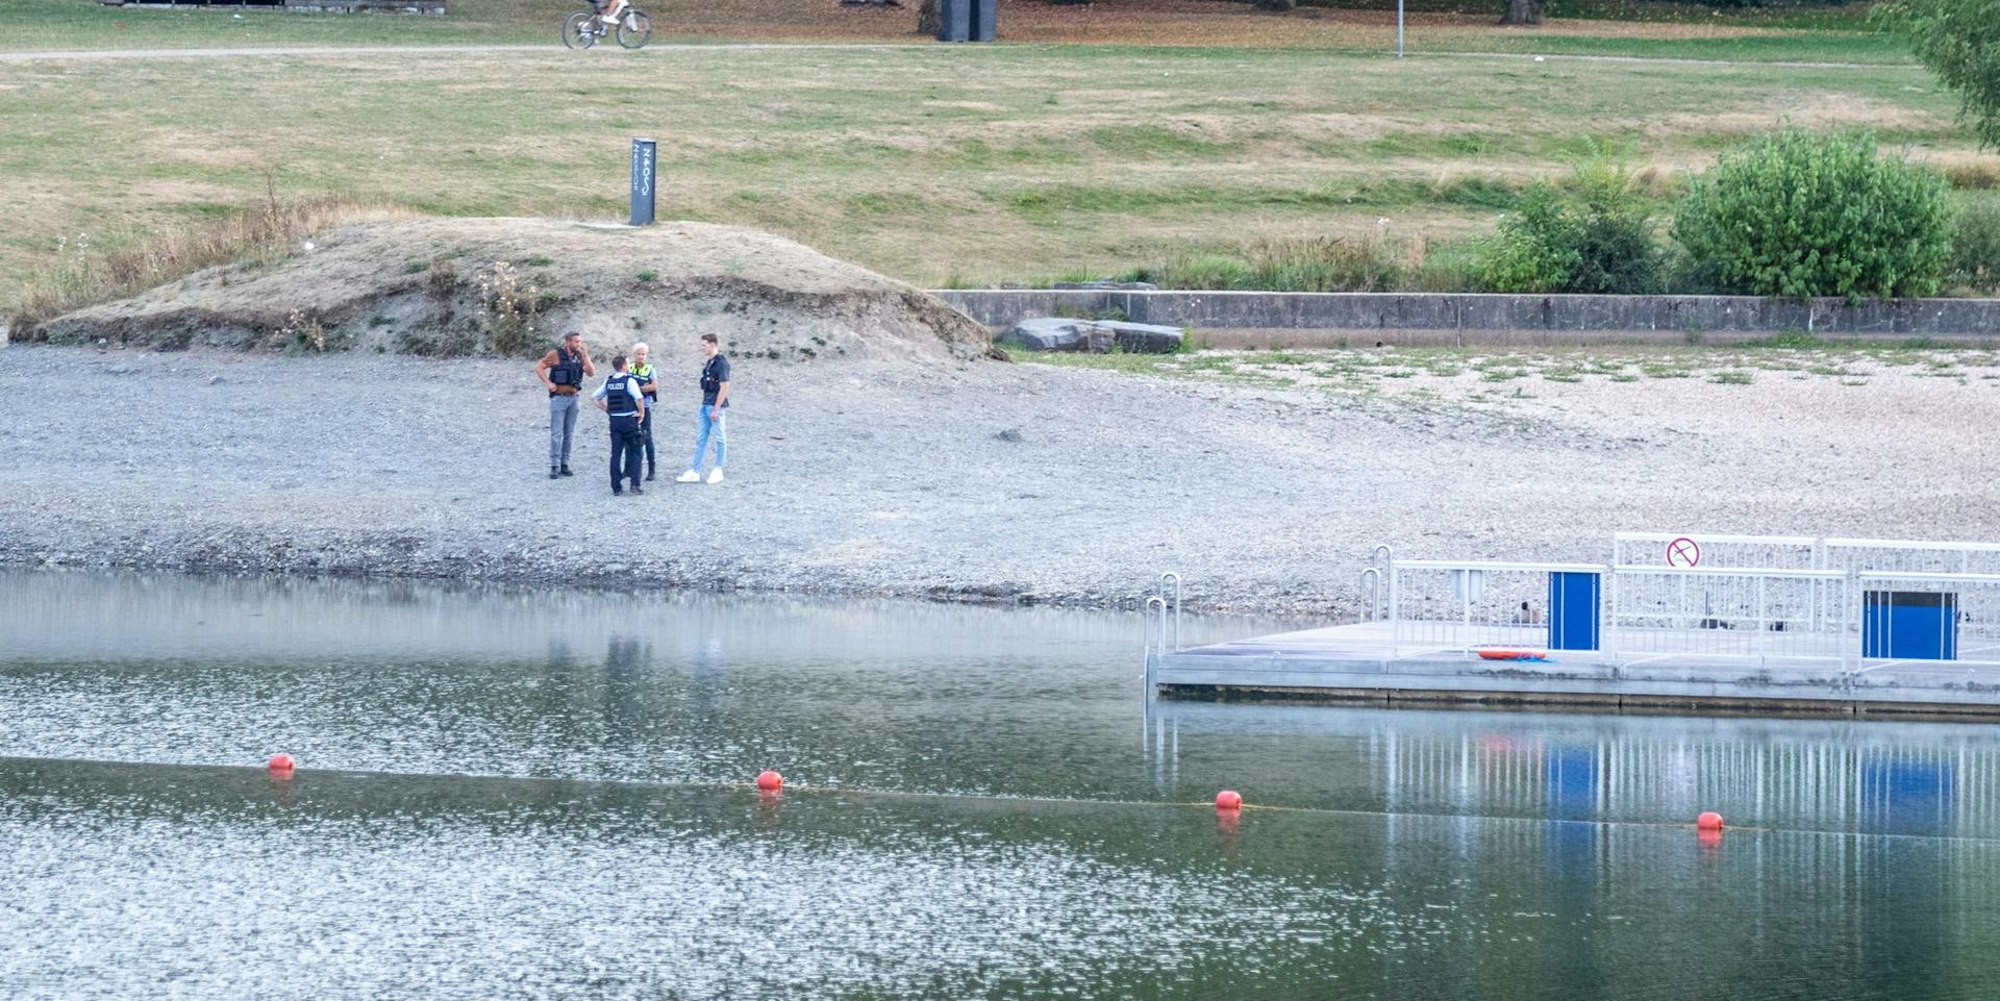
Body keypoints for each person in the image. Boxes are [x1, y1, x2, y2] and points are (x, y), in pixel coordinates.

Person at [535, 331, 596, 480]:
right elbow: (539, 367)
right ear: (568, 342)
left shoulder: (579, 356)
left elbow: (591, 373)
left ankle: (565, 463)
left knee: (569, 433)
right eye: (576, 342)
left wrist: (586, 355)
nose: (579, 344)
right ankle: (554, 465)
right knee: (556, 433)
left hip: (574, 398)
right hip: (559, 398)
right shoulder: (555, 354)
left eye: (580, 342)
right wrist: (548, 383)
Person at [675, 333, 730, 484]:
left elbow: (724, 386)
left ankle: (718, 469)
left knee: (720, 438)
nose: (702, 348)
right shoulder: (710, 363)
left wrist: (716, 408)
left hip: (714, 405)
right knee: (701, 439)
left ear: (712, 345)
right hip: (705, 404)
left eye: (704, 345)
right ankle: (695, 471)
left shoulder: (721, 363)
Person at [592, 354, 648, 496]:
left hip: (615, 421)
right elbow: (639, 398)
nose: (629, 366)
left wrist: (607, 410)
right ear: (623, 366)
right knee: (636, 451)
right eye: (628, 364)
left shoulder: (609, 381)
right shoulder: (629, 381)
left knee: (615, 454)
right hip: (629, 420)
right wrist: (641, 413)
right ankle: (635, 484)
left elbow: (595, 397)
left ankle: (616, 487)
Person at [630, 342, 660, 482]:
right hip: (631, 405)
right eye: (638, 354)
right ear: (634, 355)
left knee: (647, 436)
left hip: (645, 405)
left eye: (643, 354)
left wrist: (638, 389)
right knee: (630, 437)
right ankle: (631, 468)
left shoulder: (650, 369)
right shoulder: (629, 367)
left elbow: (654, 386)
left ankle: (652, 469)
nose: (641, 357)